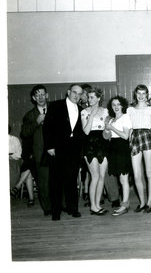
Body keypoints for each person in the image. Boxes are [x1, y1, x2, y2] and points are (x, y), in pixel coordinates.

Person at [43, 84, 85, 220]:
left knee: (72, 181)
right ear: (68, 92)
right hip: (57, 148)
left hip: (73, 150)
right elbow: (47, 128)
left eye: (79, 94)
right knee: (56, 181)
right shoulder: (55, 106)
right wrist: (50, 147)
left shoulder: (81, 109)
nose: (76, 96)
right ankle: (56, 211)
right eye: (74, 92)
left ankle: (73, 208)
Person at [19, 84, 51, 214]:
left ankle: (59, 206)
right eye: (37, 95)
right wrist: (37, 121)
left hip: (56, 152)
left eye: (42, 94)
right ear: (33, 98)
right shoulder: (30, 115)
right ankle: (47, 208)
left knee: (57, 180)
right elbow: (25, 133)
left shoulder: (55, 110)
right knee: (43, 183)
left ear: (47, 95)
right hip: (40, 153)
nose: (40, 97)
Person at [127, 84, 151, 214]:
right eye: (139, 93)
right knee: (136, 175)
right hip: (134, 138)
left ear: (147, 95)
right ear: (135, 94)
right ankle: (141, 202)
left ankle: (149, 202)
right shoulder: (130, 109)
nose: (141, 96)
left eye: (144, 94)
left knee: (149, 173)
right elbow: (129, 128)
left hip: (147, 137)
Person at [81, 87, 109, 215]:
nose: (89, 99)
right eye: (89, 97)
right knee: (95, 176)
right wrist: (91, 115)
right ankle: (93, 206)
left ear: (98, 98)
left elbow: (107, 129)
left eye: (92, 97)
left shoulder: (105, 111)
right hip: (90, 144)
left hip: (102, 144)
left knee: (102, 176)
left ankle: (97, 204)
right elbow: (86, 131)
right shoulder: (84, 112)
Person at [104, 96, 133, 216]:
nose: (116, 107)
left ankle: (125, 204)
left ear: (122, 106)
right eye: (113, 105)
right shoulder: (111, 119)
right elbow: (107, 136)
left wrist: (111, 128)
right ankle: (124, 203)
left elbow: (126, 136)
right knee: (119, 179)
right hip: (113, 148)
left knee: (123, 179)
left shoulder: (125, 117)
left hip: (122, 148)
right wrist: (106, 129)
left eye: (118, 104)